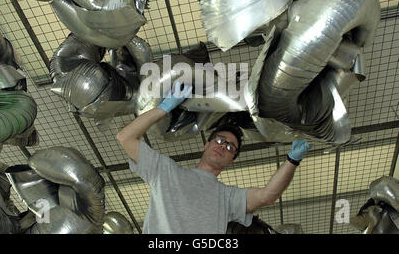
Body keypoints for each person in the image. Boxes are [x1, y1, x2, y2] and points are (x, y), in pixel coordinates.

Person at [117, 82, 312, 233]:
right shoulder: (166, 171)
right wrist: (163, 108)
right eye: (219, 140)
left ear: (231, 161)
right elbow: (125, 137)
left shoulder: (227, 197)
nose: (223, 147)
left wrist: (292, 160)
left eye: (230, 147)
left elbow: (268, 195)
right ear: (206, 144)